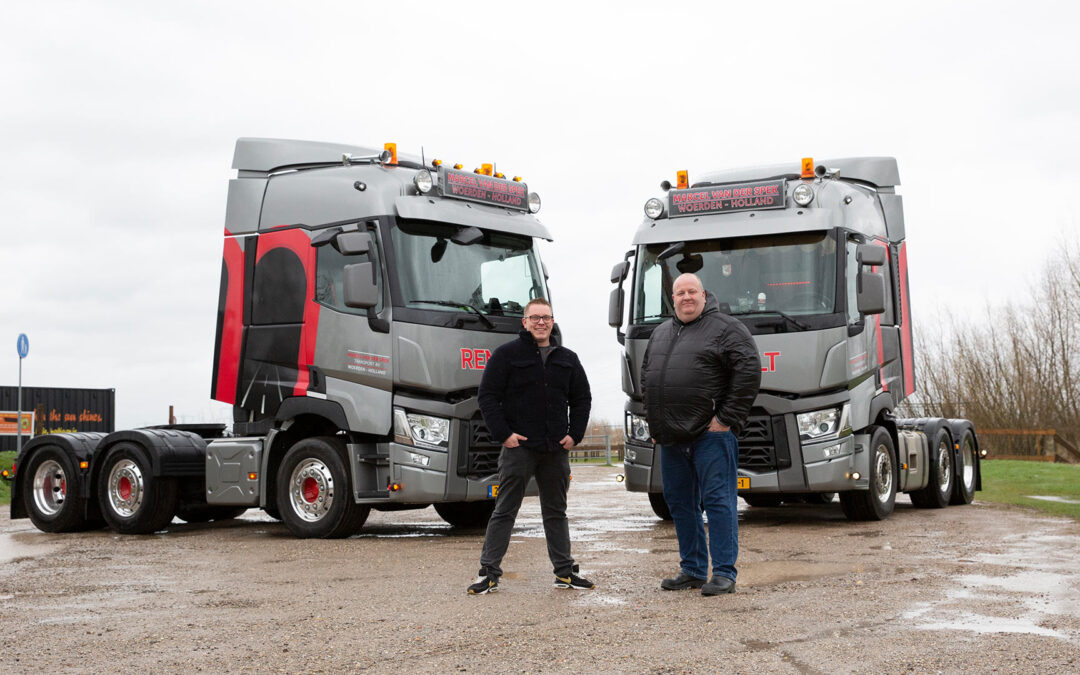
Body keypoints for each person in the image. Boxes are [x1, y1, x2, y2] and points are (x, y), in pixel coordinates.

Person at [642, 273, 761, 596]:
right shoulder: (661, 333)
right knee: (680, 504)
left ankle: (723, 573)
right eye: (679, 293)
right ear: (672, 298)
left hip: (711, 436)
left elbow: (749, 370)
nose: (686, 298)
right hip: (670, 438)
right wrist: (655, 423)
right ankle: (692, 569)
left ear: (704, 295)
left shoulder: (726, 328)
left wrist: (725, 419)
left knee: (718, 501)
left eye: (692, 291)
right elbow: (648, 377)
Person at [467, 297, 594, 595]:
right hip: (519, 448)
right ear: (524, 322)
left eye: (546, 317)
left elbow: (582, 399)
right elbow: (487, 396)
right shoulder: (506, 355)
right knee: (505, 509)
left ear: (552, 321)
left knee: (556, 512)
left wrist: (574, 434)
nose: (541, 322)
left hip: (555, 450)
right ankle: (488, 572)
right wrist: (504, 435)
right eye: (535, 317)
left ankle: (564, 572)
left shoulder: (568, 358)